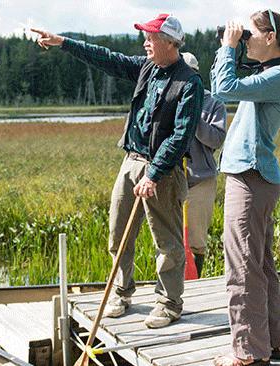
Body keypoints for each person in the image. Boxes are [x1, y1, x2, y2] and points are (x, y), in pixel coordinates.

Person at [31, 14, 203, 329]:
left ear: (169, 41)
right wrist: (63, 42)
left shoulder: (189, 82)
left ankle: (169, 304)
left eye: (150, 38)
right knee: (118, 232)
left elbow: (181, 135)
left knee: (167, 241)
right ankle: (121, 294)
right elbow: (106, 58)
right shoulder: (147, 67)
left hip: (162, 170)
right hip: (132, 161)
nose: (145, 43)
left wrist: (154, 173)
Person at [209, 10, 280, 366]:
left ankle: (248, 354)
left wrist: (227, 49)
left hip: (251, 178)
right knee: (259, 265)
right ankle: (276, 344)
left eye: (252, 33)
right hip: (253, 177)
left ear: (273, 37)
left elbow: (223, 88)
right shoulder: (271, 74)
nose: (246, 37)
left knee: (242, 269)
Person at [179, 52, 227, 277]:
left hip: (200, 181)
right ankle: (171, 288)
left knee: (196, 241)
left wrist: (194, 117)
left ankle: (194, 285)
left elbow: (216, 140)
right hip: (171, 181)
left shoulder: (213, 103)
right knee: (169, 240)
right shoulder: (167, 97)